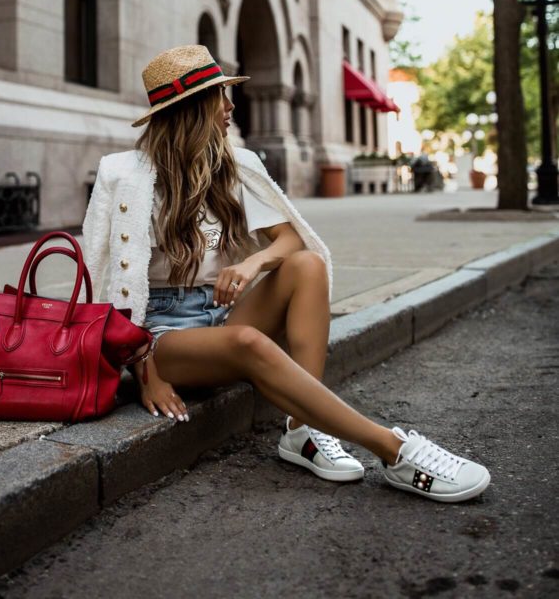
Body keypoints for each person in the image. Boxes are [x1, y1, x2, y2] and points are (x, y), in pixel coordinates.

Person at [83, 45, 490, 503]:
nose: (231, 107)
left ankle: (302, 431)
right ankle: (394, 450)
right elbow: (101, 278)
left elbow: (294, 240)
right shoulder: (123, 175)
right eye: (221, 95)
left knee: (307, 266)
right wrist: (141, 369)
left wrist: (254, 261)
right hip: (160, 336)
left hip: (219, 316)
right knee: (248, 343)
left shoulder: (236, 166)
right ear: (193, 108)